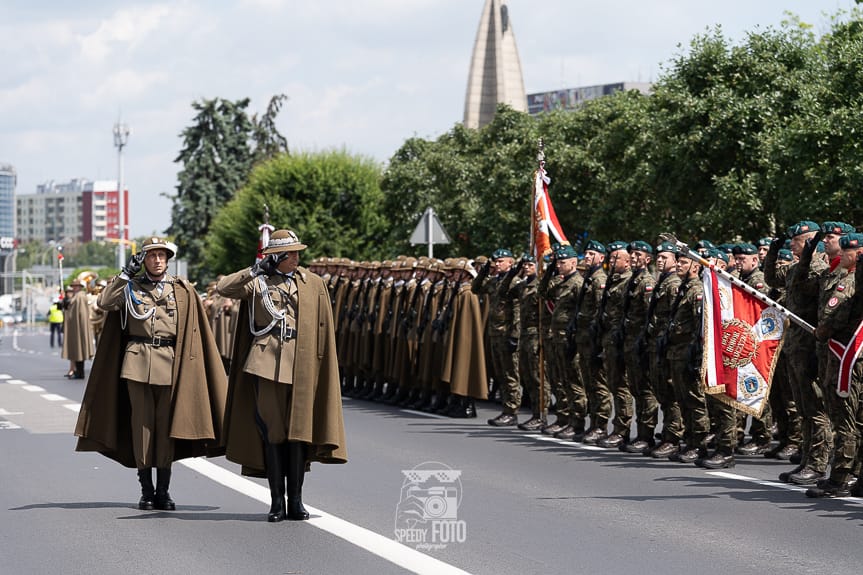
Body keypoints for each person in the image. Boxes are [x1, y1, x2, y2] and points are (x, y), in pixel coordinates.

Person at [74, 237, 228, 511]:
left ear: (168, 259)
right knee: (142, 428)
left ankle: (164, 491)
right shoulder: (130, 286)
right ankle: (146, 490)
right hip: (137, 364)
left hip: (171, 365)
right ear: (143, 259)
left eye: (162, 255)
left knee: (167, 431)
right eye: (152, 255)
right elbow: (104, 303)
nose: (157, 260)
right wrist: (124, 275)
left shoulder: (181, 289)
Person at [217, 229, 347, 522]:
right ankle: (276, 501)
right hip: (267, 363)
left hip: (303, 364)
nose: (297, 258)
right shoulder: (258, 282)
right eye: (291, 254)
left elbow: (325, 327)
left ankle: (296, 501)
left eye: (298, 252)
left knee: (298, 434)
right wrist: (254, 269)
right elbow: (225, 288)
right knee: (274, 433)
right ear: (276, 256)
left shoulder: (313, 284)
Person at [61, 279, 94, 379]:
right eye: (73, 286)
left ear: (80, 287)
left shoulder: (80, 296)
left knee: (79, 349)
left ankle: (80, 373)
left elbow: (81, 314)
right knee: (77, 350)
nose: (74, 288)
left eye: (76, 286)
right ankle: (78, 372)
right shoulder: (77, 296)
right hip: (76, 326)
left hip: (79, 326)